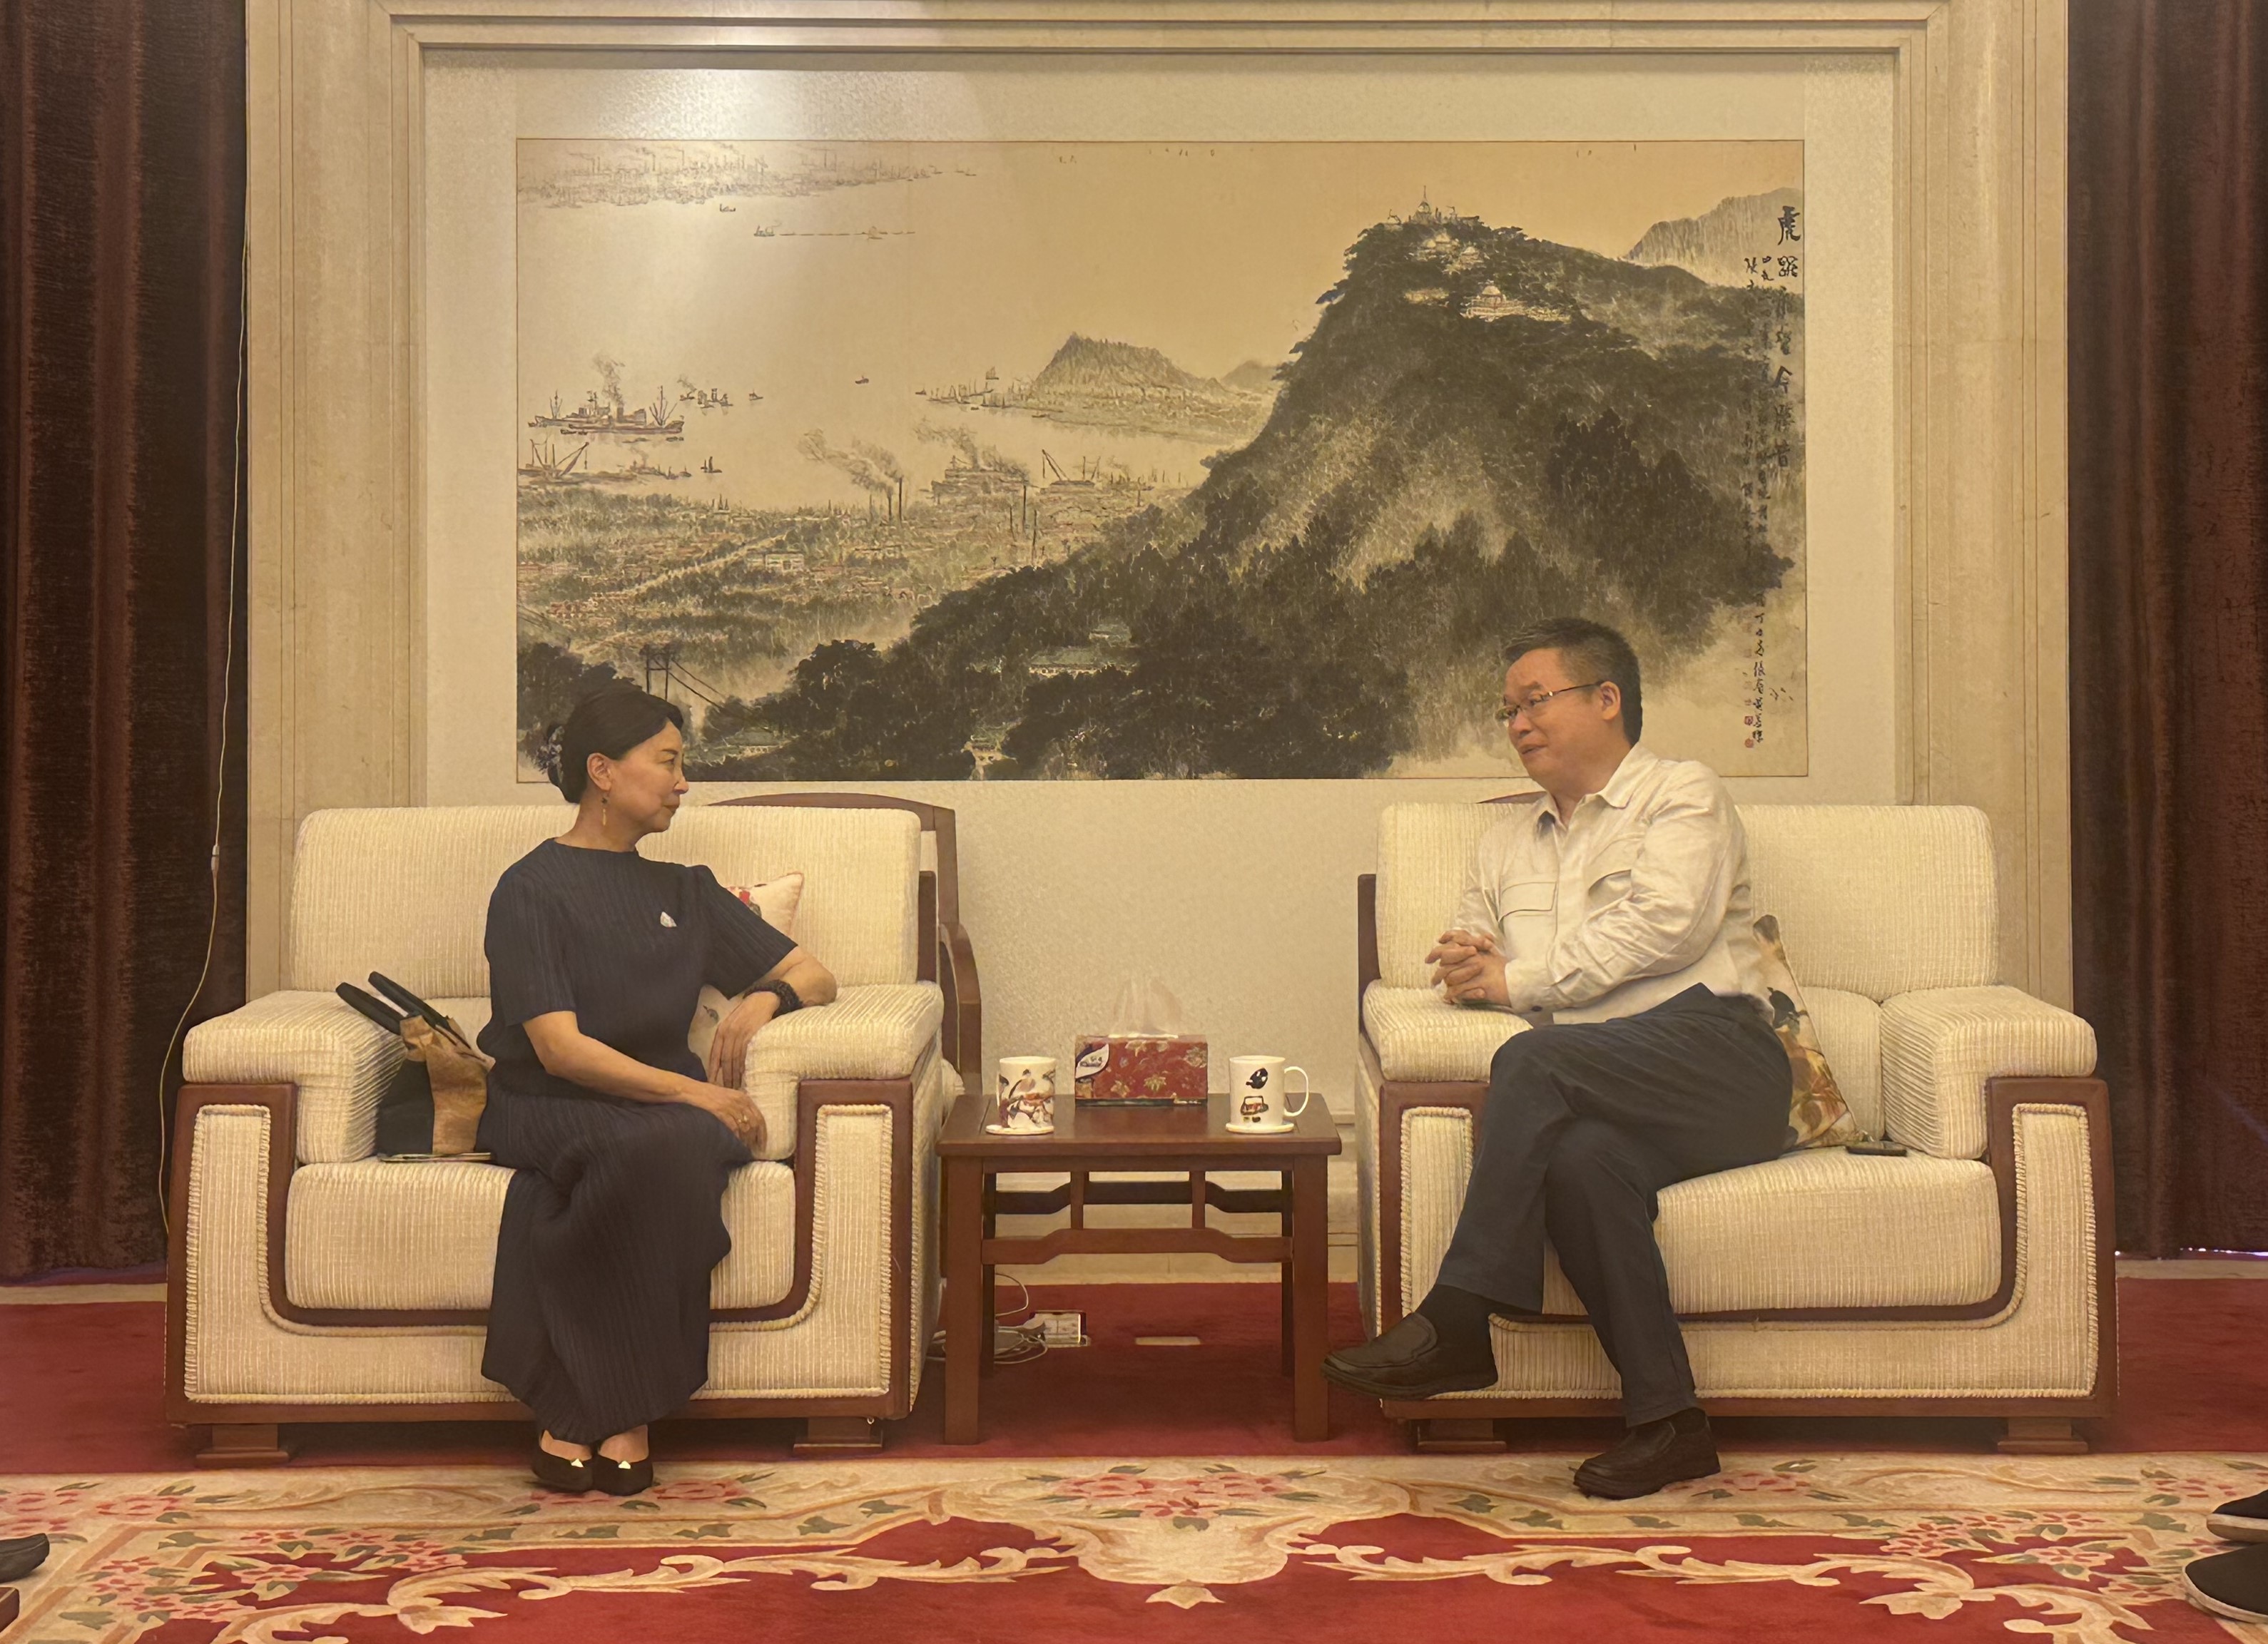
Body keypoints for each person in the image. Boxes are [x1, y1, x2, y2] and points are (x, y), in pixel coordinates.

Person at [1321, 617, 1793, 1499]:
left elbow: (1666, 925)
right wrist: (1466, 964)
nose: (1517, 724)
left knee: (1531, 1063)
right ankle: (1670, 1424)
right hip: (1601, 1080)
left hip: (1719, 1060)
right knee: (1579, 1164)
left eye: (1534, 701)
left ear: (1605, 699)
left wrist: (1519, 978)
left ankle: (1458, 1319)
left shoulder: (1681, 795)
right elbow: (1475, 942)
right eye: (1507, 711)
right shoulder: (1504, 841)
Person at [478, 683, 837, 1495]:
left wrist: (764, 996)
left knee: (666, 1145)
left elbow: (815, 974)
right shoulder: (530, 887)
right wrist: (699, 1094)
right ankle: (626, 1411)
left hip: (659, 1111)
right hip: (546, 1102)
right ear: (602, 771)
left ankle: (577, 1412)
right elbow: (560, 1050)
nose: (682, 782)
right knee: (664, 1141)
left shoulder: (685, 890)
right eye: (667, 762)